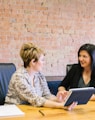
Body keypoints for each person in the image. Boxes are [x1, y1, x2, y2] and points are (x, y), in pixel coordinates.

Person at [5, 42, 77, 110]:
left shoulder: (40, 75)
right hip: (15, 112)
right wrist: (61, 105)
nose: (44, 63)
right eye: (42, 60)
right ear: (33, 62)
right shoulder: (19, 77)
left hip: (32, 110)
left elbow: (46, 95)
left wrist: (58, 99)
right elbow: (36, 99)